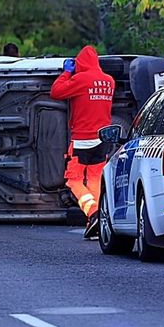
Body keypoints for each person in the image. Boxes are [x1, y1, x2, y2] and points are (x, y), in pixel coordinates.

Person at [50, 45, 115, 239]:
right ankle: (97, 221)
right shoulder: (109, 81)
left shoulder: (81, 79)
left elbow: (56, 92)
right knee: (95, 179)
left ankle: (93, 213)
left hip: (82, 139)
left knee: (73, 180)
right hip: (102, 138)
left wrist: (67, 73)